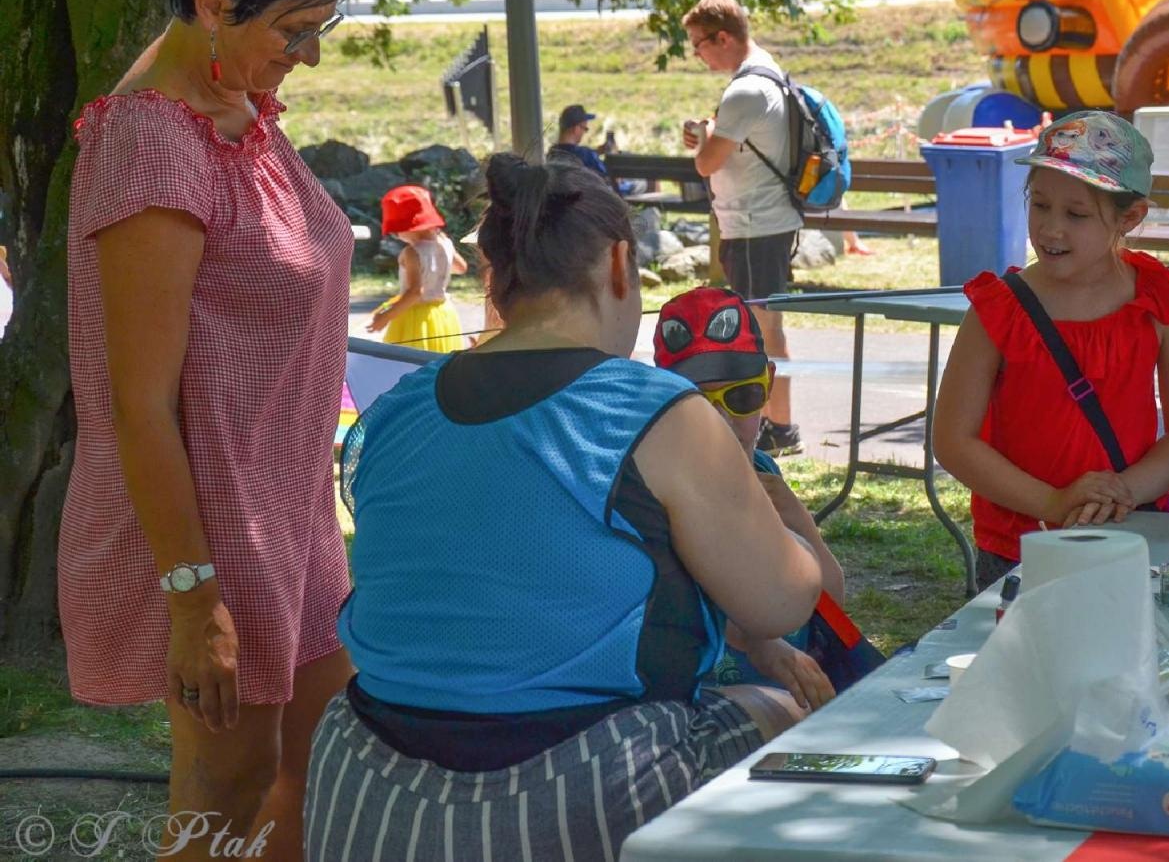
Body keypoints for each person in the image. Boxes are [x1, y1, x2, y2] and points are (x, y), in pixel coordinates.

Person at [303, 156, 822, 859]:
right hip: (576, 791)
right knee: (782, 708)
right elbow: (783, 602)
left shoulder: (395, 411)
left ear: (497, 278)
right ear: (618, 264)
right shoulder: (654, 409)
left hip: (364, 790)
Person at [62, 0, 358, 859]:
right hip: (212, 532)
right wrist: (196, 604)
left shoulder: (239, 104)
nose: (311, 54)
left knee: (318, 766)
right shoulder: (153, 143)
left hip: (294, 514)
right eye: (294, 28)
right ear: (210, 2)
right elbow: (137, 408)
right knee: (224, 794)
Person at [933, 112, 1169, 589]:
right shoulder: (997, 310)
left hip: (1133, 532)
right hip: (1021, 544)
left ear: (1130, 216)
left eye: (1076, 214)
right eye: (1039, 205)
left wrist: (1125, 490)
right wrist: (1053, 502)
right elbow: (953, 441)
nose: (1051, 229)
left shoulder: (1159, 298)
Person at [653, 286, 849, 711]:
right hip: (703, 704)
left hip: (790, 695)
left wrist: (797, 518)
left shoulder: (764, 471)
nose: (722, 419)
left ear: (768, 386)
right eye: (698, 404)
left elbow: (833, 598)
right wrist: (759, 641)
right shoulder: (659, 487)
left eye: (741, 397)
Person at [681, 0, 804, 456]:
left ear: (724, 37)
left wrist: (703, 141)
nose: (698, 54)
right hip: (760, 223)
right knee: (762, 328)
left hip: (755, 225)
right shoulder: (765, 71)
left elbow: (707, 164)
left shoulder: (745, 90)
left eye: (699, 44)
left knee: (762, 332)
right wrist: (708, 135)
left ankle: (781, 429)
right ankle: (777, 424)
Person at [366, 184, 469, 352]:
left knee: (408, 362)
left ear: (407, 228)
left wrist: (386, 317)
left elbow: (415, 292)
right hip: (441, 313)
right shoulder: (445, 243)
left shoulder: (412, 253)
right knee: (438, 361)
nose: (397, 236)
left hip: (415, 318)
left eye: (396, 231)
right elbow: (461, 268)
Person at [548, 102, 610, 179]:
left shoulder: (552, 153)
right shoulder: (585, 154)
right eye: (585, 128)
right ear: (576, 129)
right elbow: (606, 175)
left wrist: (597, 152)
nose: (584, 133)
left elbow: (569, 152)